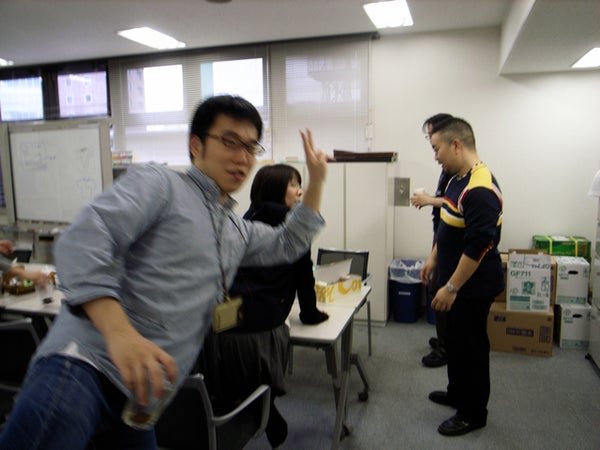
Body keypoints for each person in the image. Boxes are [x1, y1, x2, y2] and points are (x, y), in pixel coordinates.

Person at [0, 94, 329, 450]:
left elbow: (288, 242)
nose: (242, 157)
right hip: (85, 367)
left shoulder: (234, 228)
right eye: (230, 141)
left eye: (250, 147)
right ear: (196, 145)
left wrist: (316, 182)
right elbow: (82, 240)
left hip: (140, 397)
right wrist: (120, 333)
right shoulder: (161, 185)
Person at [198, 163, 329, 448]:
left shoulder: (243, 220)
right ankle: (263, 411)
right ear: (275, 189)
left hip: (221, 322)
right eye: (293, 184)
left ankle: (253, 408)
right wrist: (312, 315)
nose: (299, 191)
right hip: (262, 326)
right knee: (258, 372)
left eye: (299, 184)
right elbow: (305, 281)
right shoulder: (292, 229)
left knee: (233, 379)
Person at [420, 117, 503, 436]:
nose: (435, 156)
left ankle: (473, 413)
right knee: (455, 342)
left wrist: (452, 287)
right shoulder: (457, 178)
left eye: (436, 148)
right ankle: (457, 393)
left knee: (472, 348)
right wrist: (433, 259)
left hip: (472, 286)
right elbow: (448, 223)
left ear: (456, 145)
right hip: (452, 278)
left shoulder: (480, 188)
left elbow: (479, 246)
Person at [410, 113, 453, 368]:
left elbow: (456, 203)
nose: (434, 153)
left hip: (449, 242)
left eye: (433, 141)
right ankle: (444, 340)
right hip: (441, 234)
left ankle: (446, 347)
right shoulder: (447, 168)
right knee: (436, 287)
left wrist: (428, 200)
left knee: (441, 290)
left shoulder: (466, 174)